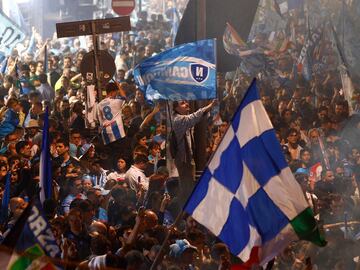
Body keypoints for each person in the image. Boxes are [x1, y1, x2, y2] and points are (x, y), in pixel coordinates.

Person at [172, 100, 216, 205]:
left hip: (187, 159)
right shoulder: (179, 119)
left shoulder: (182, 118)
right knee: (187, 190)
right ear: (176, 108)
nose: (187, 104)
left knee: (189, 187)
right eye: (182, 103)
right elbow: (193, 117)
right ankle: (185, 213)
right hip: (184, 161)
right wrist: (208, 106)